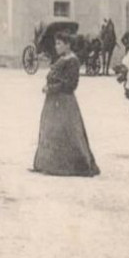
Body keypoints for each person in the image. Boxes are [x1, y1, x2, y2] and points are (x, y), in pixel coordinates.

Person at [32, 33, 99, 177]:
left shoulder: (73, 61)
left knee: (68, 134)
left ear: (68, 44)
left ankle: (72, 165)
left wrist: (51, 88)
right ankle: (49, 164)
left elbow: (71, 84)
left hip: (65, 103)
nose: (57, 47)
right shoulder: (62, 58)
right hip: (54, 102)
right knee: (51, 131)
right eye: (56, 44)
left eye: (60, 44)